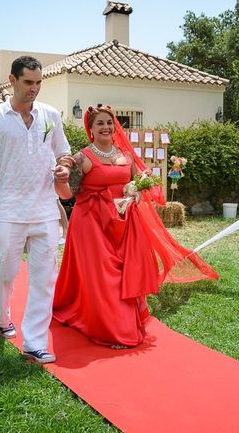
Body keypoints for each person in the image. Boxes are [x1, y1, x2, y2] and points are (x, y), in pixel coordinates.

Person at [53, 104, 218, 348]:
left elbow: (135, 185)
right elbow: (67, 194)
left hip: (123, 222)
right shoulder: (82, 157)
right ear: (91, 129)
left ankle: (122, 322)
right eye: (100, 123)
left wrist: (136, 193)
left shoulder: (125, 156)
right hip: (90, 223)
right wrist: (60, 180)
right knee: (105, 275)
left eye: (109, 122)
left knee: (125, 273)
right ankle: (112, 329)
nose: (106, 127)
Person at [0, 56, 72, 364]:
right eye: (29, 82)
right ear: (12, 81)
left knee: (44, 278)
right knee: (4, 272)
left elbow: (64, 153)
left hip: (45, 210)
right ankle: (2, 317)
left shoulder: (50, 115)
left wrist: (64, 169)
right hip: (9, 210)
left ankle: (35, 342)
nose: (35, 88)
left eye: (38, 82)